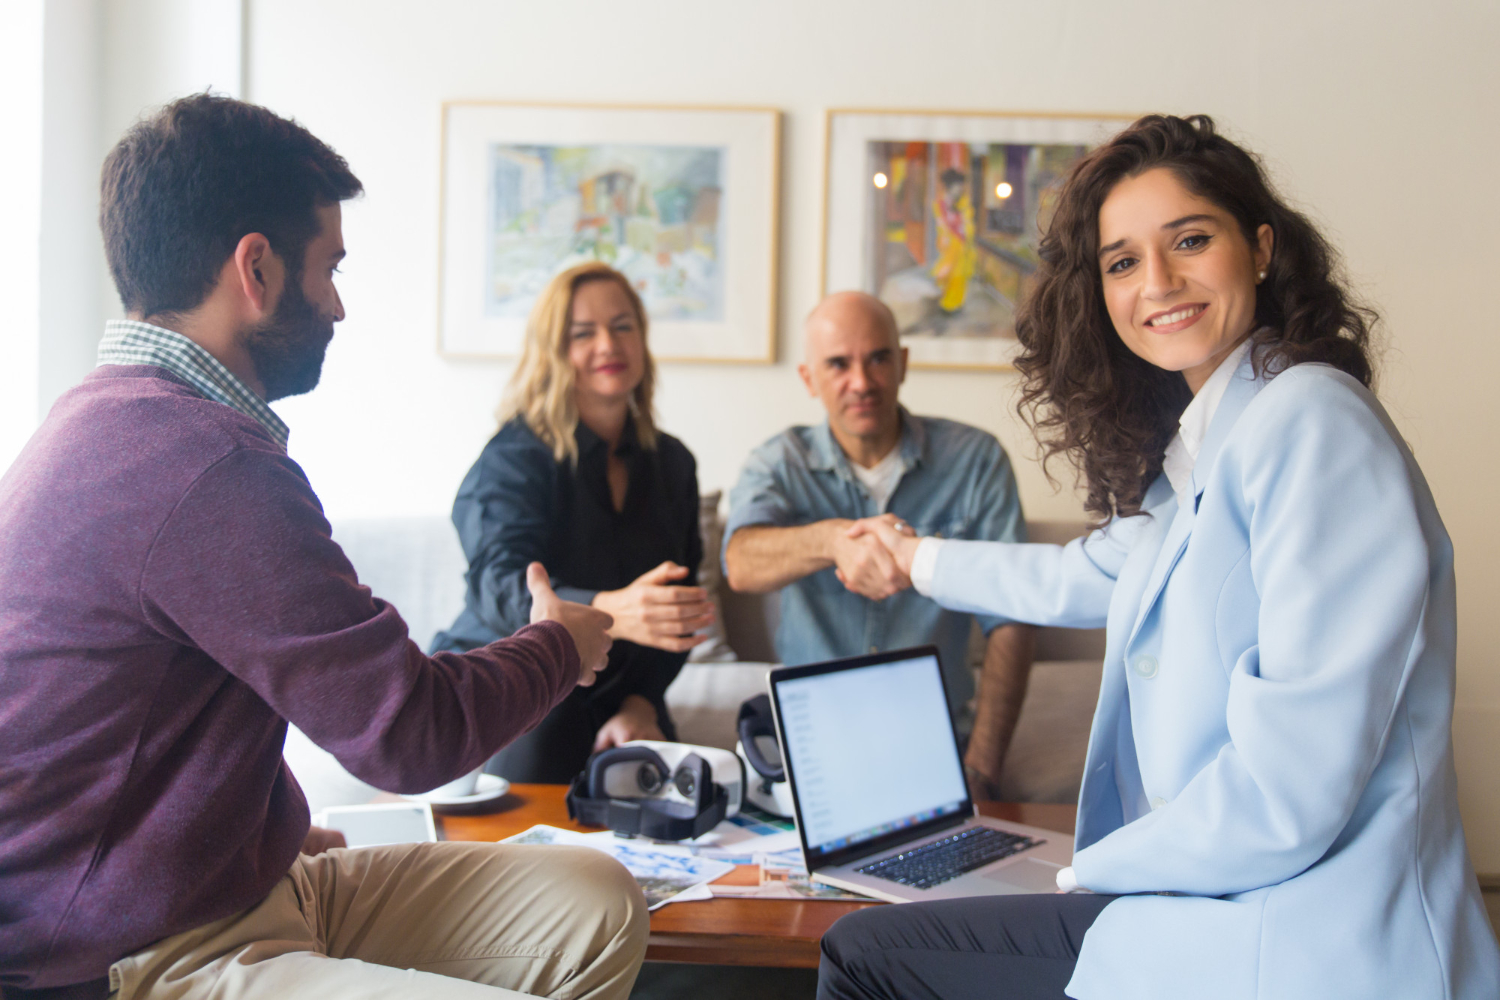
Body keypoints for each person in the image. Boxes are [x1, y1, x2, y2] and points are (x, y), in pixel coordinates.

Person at [816, 115, 1500, 1000]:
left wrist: (1085, 870)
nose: (1159, 283)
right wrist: (912, 560)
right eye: (1122, 262)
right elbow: (1086, 573)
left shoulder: (1312, 422)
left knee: (867, 956)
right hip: (1224, 905)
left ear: (1261, 248)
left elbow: (1289, 794)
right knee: (880, 943)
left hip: (1305, 936)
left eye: (1190, 240)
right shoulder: (1209, 446)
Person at [0, 95, 648, 999]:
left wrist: (259, 832)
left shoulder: (110, 420)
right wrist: (561, 647)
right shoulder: (202, 463)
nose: (339, 305)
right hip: (141, 952)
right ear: (256, 268)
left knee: (596, 898)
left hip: (239, 887)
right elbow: (410, 735)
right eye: (330, 267)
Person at [723, 291, 1035, 795]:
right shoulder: (778, 462)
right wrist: (831, 540)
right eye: (838, 364)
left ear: (903, 363)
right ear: (808, 378)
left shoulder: (975, 460)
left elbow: (1012, 616)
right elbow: (740, 562)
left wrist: (981, 769)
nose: (862, 382)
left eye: (878, 359)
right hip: (812, 751)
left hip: (938, 747)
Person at [431, 261, 712, 784]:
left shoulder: (674, 463)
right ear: (553, 350)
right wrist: (609, 611)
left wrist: (641, 703)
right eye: (583, 333)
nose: (608, 345)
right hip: (516, 681)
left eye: (623, 326)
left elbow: (680, 609)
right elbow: (497, 583)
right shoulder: (514, 456)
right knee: (542, 762)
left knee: (690, 807)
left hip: (624, 692)